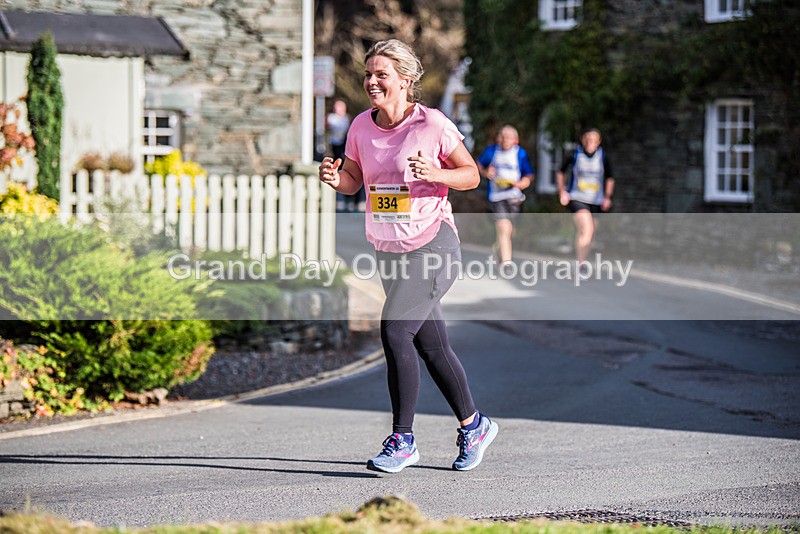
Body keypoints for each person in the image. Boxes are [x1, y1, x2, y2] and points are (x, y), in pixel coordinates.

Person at [318, 39, 499, 474]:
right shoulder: (361, 126)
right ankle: (473, 425)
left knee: (395, 331)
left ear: (405, 80)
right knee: (431, 347)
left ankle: (403, 440)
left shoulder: (432, 124)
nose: (372, 81)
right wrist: (335, 177)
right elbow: (355, 180)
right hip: (388, 250)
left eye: (381, 74)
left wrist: (437, 173)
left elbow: (471, 174)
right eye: (368, 74)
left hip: (433, 244)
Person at [556, 128, 615, 277]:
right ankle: (581, 265)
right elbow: (560, 171)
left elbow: (610, 177)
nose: (590, 143)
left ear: (598, 142)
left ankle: (581, 261)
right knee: (586, 229)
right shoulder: (575, 154)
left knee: (588, 233)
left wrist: (607, 196)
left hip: (596, 200)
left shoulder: (603, 157)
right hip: (577, 198)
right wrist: (562, 191)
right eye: (587, 139)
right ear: (583, 139)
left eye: (594, 140)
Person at [476, 125, 534, 273]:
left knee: (510, 232)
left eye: (508, 137)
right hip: (496, 197)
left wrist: (522, 183)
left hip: (514, 197)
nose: (504, 140)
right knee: (503, 226)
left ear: (515, 140)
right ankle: (507, 264)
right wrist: (485, 172)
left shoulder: (520, 153)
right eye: (502, 136)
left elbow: (529, 175)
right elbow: (478, 165)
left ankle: (499, 248)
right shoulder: (491, 151)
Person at [326, 100, 358, 212]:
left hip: (344, 147)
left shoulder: (348, 119)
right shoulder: (331, 118)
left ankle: (351, 202)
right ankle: (340, 199)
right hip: (334, 147)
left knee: (350, 172)